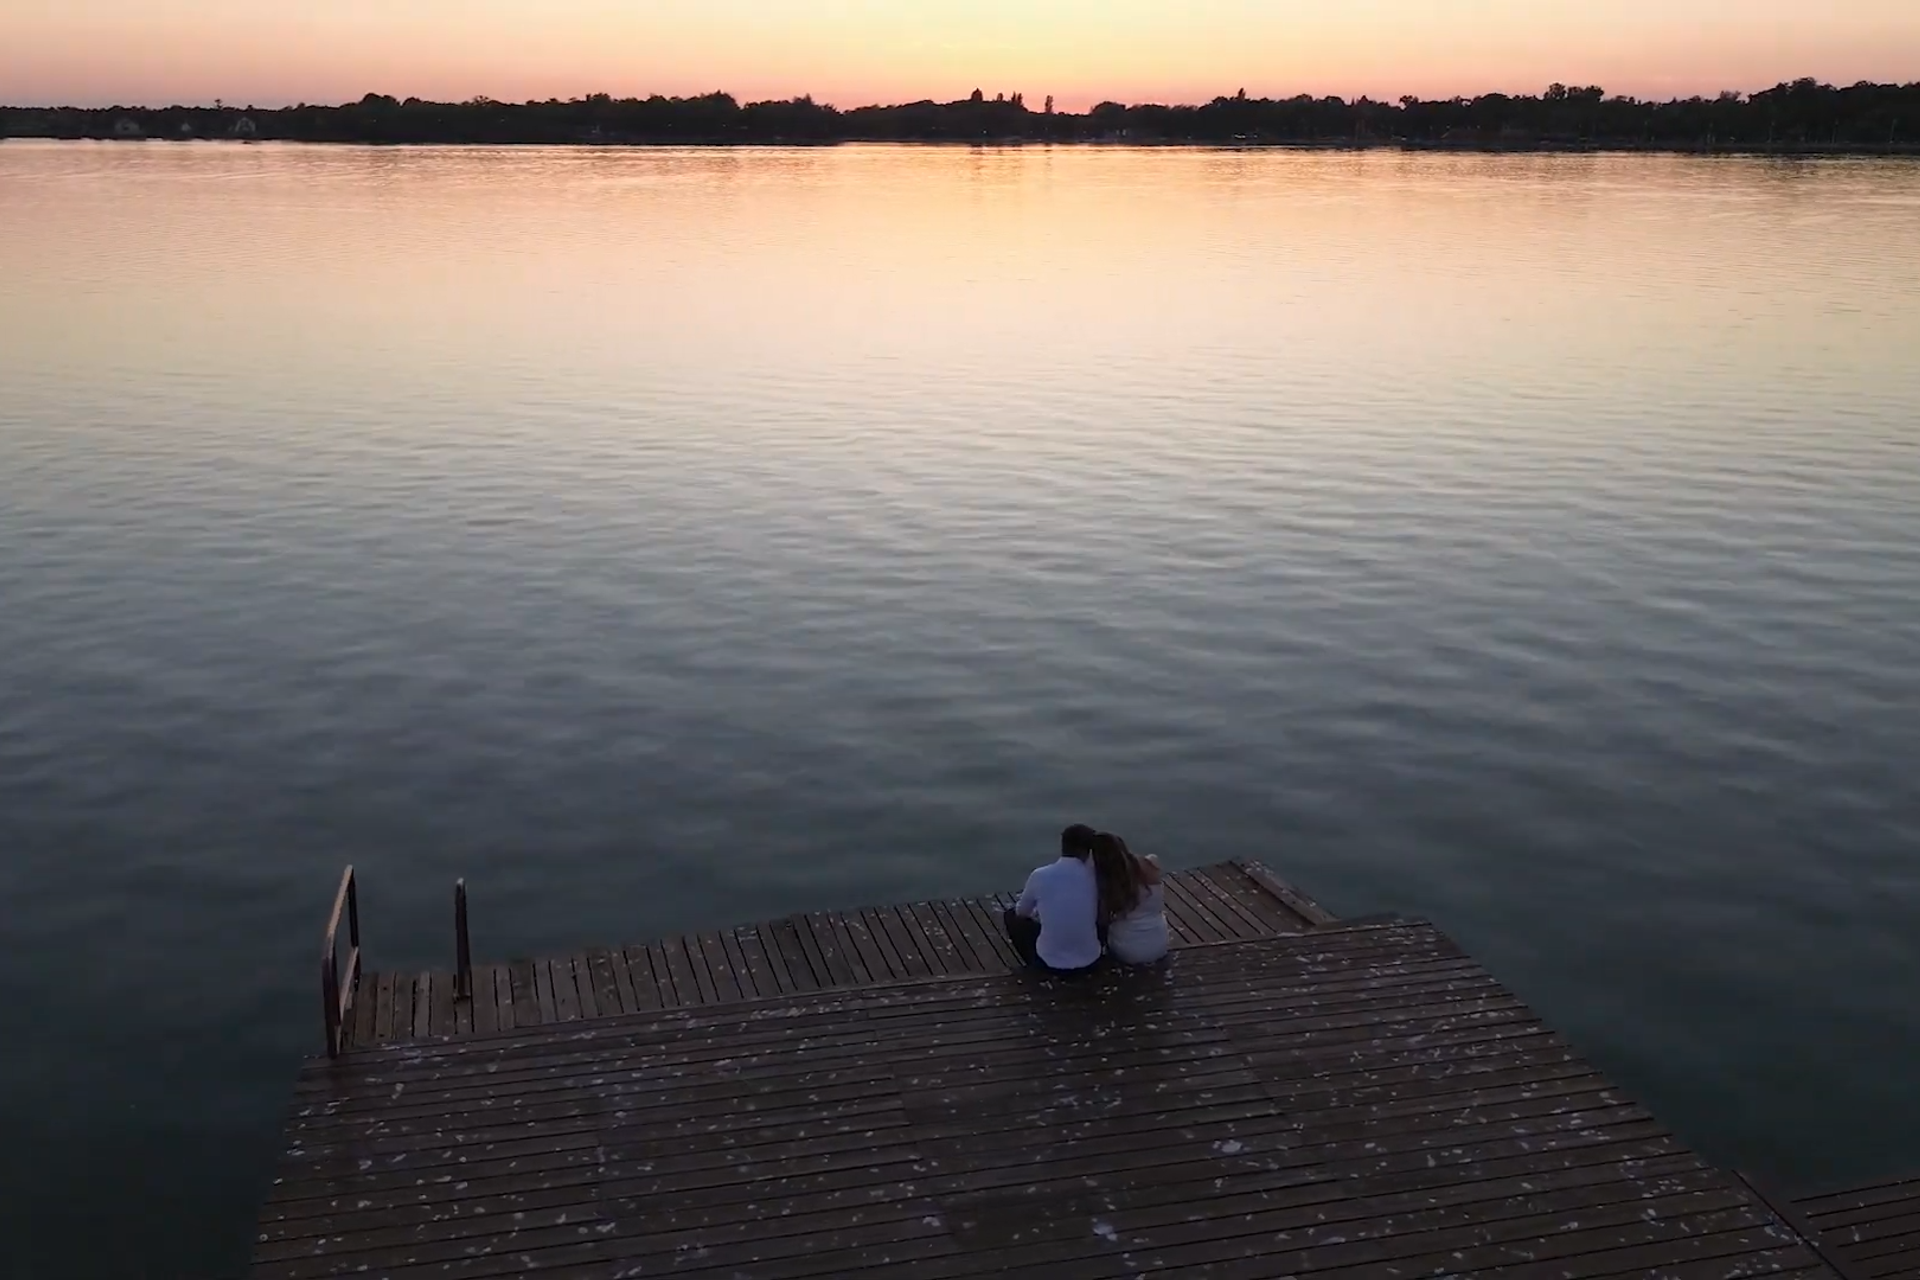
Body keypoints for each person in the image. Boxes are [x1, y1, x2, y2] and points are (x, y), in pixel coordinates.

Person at [1004, 824, 1103, 975]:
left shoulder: (1040, 875)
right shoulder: (1096, 876)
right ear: (1089, 852)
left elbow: (1022, 912)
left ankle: (1032, 965)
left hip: (1050, 963)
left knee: (1011, 916)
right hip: (1090, 961)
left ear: (1062, 845)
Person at [1092, 832, 1168, 966]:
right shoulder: (1150, 864)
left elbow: (1102, 918)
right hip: (1159, 946)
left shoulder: (1107, 883)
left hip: (1127, 952)